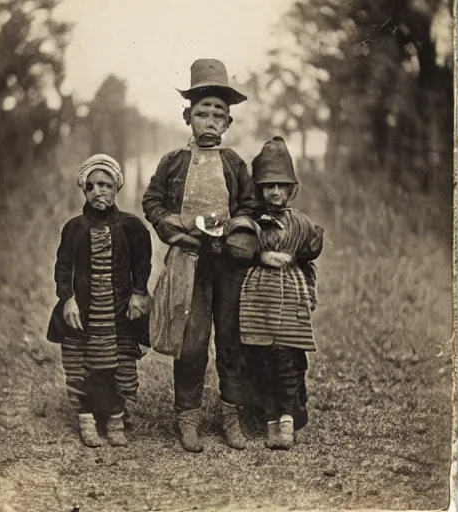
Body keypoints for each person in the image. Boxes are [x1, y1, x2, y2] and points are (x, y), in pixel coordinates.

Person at [142, 58, 258, 453]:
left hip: (227, 264)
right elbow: (152, 200)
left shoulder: (234, 163)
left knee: (230, 339)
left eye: (218, 115)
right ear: (187, 116)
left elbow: (249, 205)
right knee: (191, 342)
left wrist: (238, 228)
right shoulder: (173, 162)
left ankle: (231, 417)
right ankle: (187, 417)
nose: (209, 120)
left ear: (228, 123)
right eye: (202, 113)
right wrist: (170, 226)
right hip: (189, 264)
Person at [47, 154, 152, 447]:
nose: (98, 192)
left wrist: (139, 293)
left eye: (105, 185)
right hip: (83, 310)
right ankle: (87, 419)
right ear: (84, 190)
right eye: (91, 186)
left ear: (116, 187)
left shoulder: (132, 227)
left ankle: (115, 417)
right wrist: (67, 299)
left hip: (118, 309)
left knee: (118, 365)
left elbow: (142, 264)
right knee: (81, 365)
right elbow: (63, 268)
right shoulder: (74, 227)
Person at [239, 136, 324, 450]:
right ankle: (271, 416)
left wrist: (309, 293)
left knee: (288, 357)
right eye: (268, 186)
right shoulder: (252, 221)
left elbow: (309, 259)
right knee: (261, 356)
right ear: (259, 190)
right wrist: (260, 256)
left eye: (282, 186)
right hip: (258, 298)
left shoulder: (301, 223)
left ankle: (287, 416)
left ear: (292, 189)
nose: (275, 192)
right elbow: (238, 247)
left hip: (290, 298)